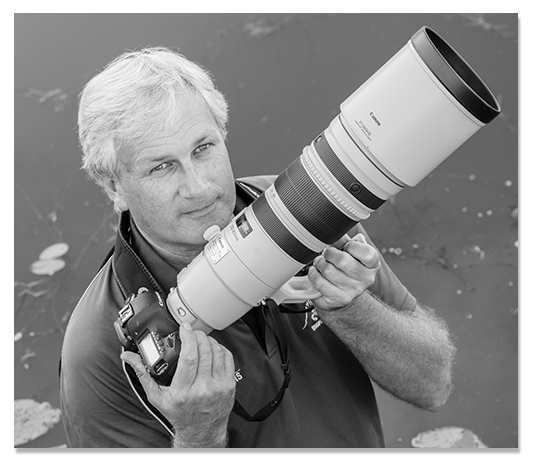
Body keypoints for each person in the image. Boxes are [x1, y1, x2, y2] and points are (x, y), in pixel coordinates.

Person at [59, 47, 456, 448]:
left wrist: (351, 309)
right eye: (161, 166)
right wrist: (199, 435)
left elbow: (433, 385)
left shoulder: (310, 208)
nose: (199, 188)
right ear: (114, 187)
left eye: (203, 148)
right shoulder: (97, 350)